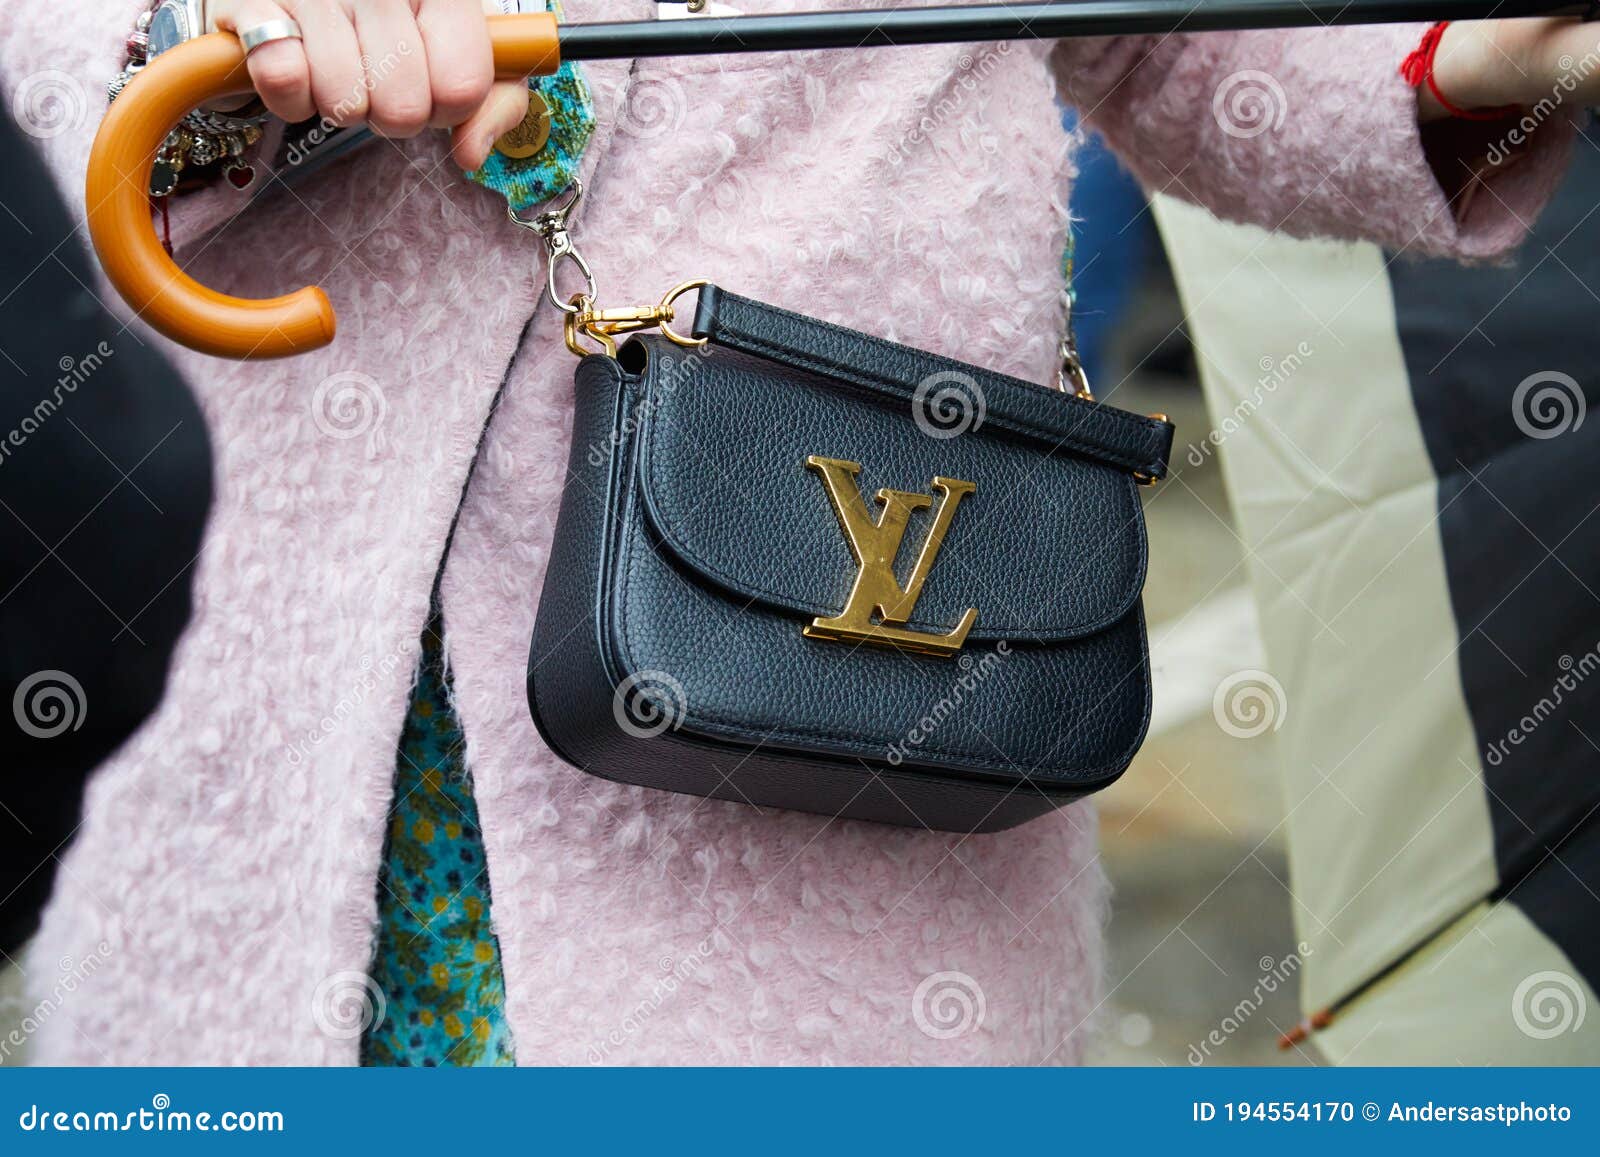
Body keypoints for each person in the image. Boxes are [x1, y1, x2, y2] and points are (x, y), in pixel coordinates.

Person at [2, 0, 1593, 1064]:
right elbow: (58, 68)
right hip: (303, 691)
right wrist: (228, 37)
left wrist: (1463, 75)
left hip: (841, 673)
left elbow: (1197, 57)